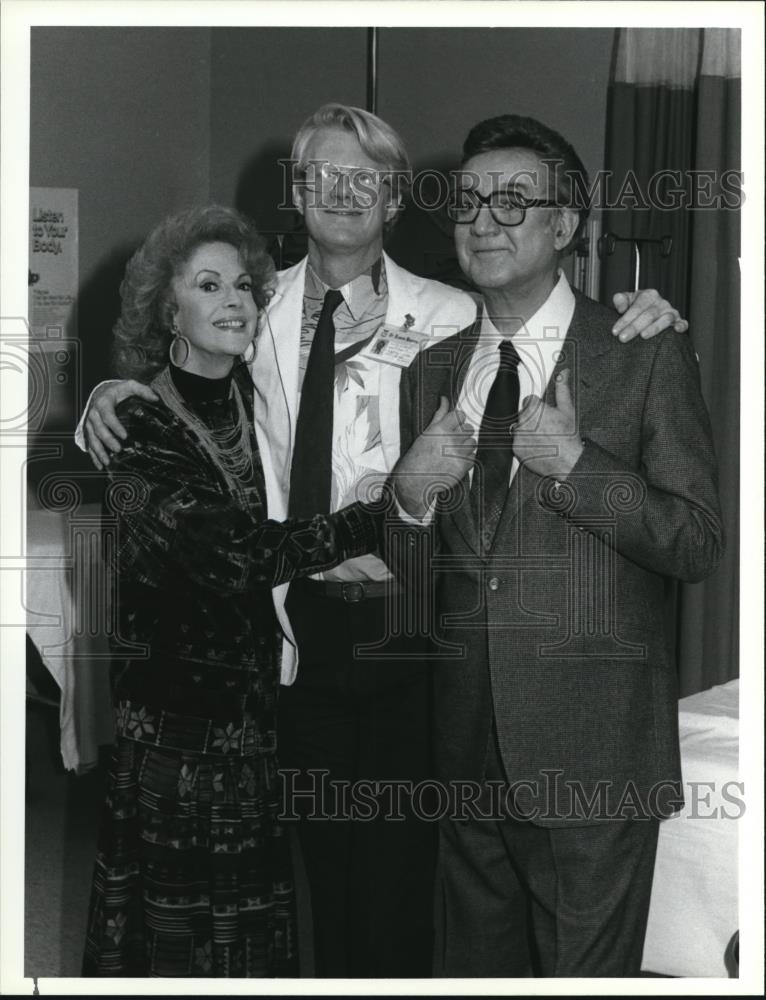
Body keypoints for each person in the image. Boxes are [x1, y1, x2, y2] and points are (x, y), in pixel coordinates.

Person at [76, 104, 688, 978]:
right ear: (296, 193)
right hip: (294, 629)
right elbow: (183, 367)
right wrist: (110, 390)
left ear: (396, 199)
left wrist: (644, 312)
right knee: (317, 879)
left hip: (416, 632)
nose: (343, 192)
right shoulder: (254, 306)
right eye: (323, 175)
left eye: (366, 177)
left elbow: (551, 324)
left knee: (410, 888)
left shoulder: (453, 310)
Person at [394, 114, 724, 977]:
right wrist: (408, 498)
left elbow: (696, 541)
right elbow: (426, 569)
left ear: (566, 225)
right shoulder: (430, 372)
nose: (484, 221)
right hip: (465, 750)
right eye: (468, 202)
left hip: (594, 759)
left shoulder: (642, 353)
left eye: (513, 201)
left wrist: (578, 465)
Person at [81, 205, 414, 977]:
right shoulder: (140, 427)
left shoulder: (251, 397)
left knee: (248, 937)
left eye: (242, 286)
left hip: (252, 720)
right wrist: (384, 513)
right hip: (176, 727)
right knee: (180, 941)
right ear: (169, 311)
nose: (234, 301)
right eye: (207, 286)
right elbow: (238, 555)